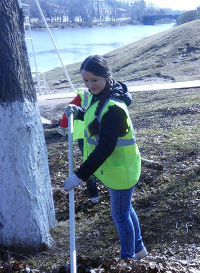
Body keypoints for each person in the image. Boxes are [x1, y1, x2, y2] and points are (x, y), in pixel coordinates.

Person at [63, 55, 147, 260]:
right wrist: (79, 112)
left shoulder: (113, 109)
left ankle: (127, 260)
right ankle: (139, 250)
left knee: (120, 215)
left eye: (94, 80)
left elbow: (105, 148)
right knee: (125, 209)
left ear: (106, 77)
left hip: (121, 169)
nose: (90, 85)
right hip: (114, 168)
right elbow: (94, 115)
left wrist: (80, 175)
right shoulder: (101, 95)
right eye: (85, 81)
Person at [58, 109, 100, 205]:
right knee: (91, 161)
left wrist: (62, 125)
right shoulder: (86, 95)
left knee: (91, 161)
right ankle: (94, 195)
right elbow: (69, 111)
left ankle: (94, 195)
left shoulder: (84, 95)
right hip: (86, 134)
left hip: (88, 134)